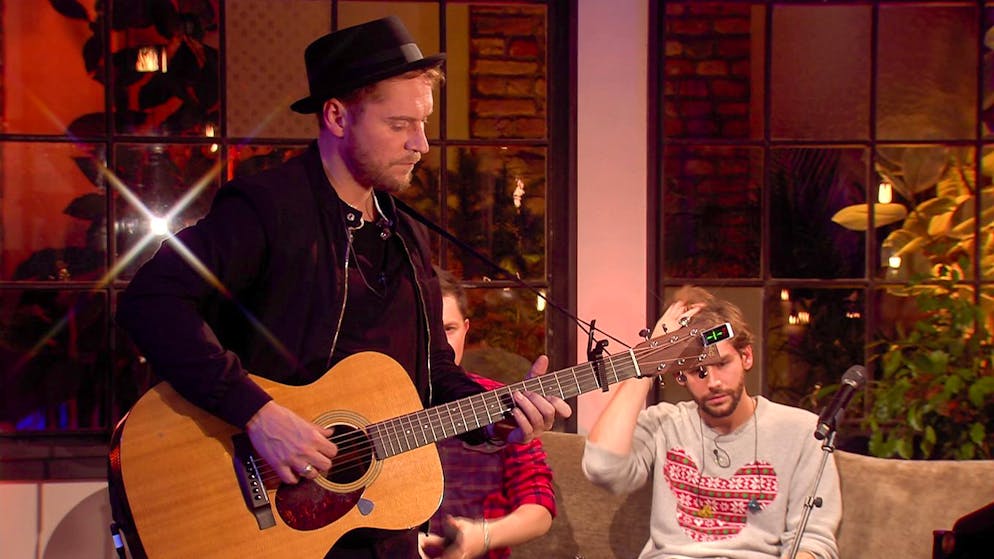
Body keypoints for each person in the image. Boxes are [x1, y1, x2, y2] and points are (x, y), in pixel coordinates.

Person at [116, 16, 570, 559]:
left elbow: (432, 375)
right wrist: (256, 413)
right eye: (400, 124)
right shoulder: (267, 209)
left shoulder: (408, 236)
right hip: (264, 518)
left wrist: (502, 418)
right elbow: (151, 301)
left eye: (422, 123)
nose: (421, 144)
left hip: (376, 521)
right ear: (336, 115)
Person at [581, 286, 840, 559]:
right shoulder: (664, 423)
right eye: (697, 371)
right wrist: (649, 357)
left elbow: (813, 543)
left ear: (746, 357)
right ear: (681, 375)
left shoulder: (802, 432)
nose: (714, 382)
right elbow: (601, 468)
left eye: (723, 364)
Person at [419, 267, 556, 559]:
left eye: (449, 329)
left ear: (466, 329)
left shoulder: (498, 402)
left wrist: (482, 536)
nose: (439, 344)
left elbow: (538, 505)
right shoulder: (372, 401)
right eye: (428, 331)